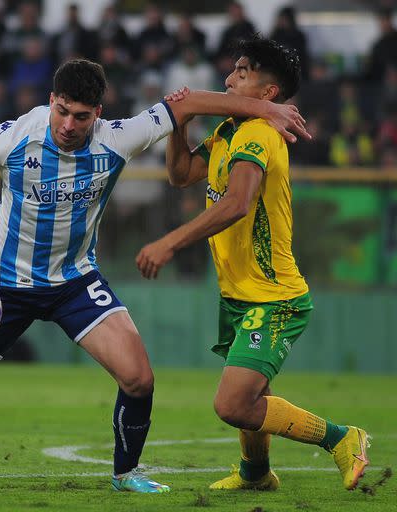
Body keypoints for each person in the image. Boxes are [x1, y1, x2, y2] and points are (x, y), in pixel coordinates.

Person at [0, 58, 310, 491]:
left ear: (99, 114)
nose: (70, 126)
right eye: (63, 112)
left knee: (139, 378)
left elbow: (186, 104)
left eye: (82, 117)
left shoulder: (117, 138)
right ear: (52, 101)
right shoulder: (14, 137)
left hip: (74, 282)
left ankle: (125, 474)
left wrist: (265, 109)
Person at [135, 37, 369, 491]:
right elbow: (181, 174)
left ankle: (343, 438)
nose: (228, 80)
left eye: (241, 72)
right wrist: (178, 124)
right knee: (251, 395)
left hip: (275, 297)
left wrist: (170, 242)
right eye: (232, 70)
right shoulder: (228, 131)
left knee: (233, 405)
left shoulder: (260, 134)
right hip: (240, 294)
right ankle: (256, 473)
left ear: (268, 94)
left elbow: (238, 203)